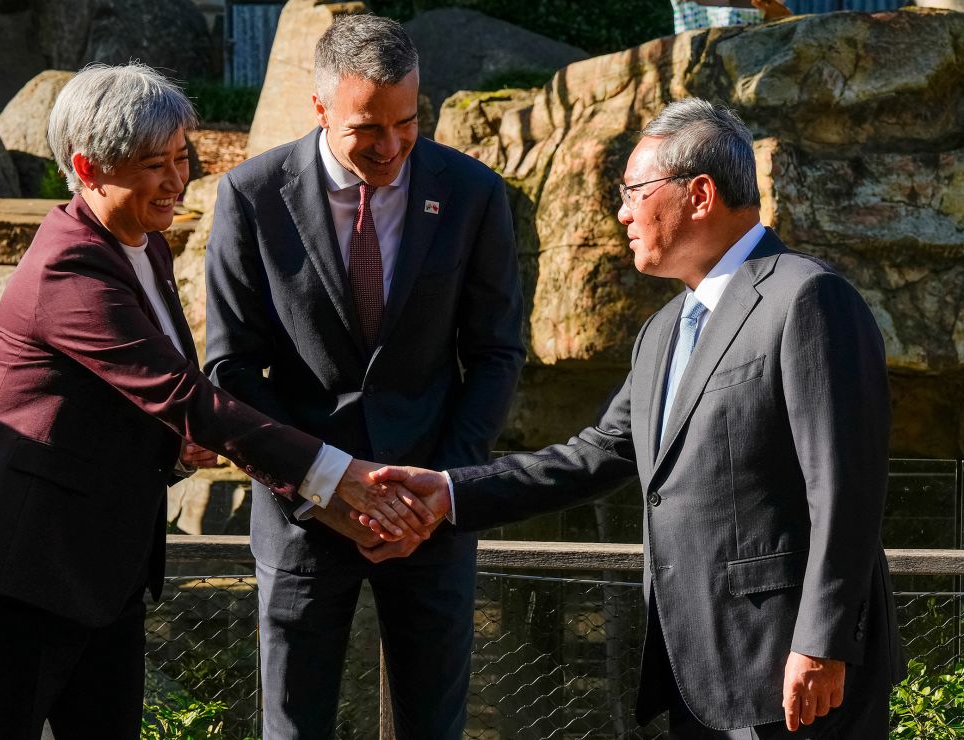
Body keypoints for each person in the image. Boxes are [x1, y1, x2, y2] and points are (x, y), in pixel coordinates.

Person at [0, 62, 430, 740]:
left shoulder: (143, 245)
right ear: (87, 167)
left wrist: (179, 448)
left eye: (180, 157)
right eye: (152, 165)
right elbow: (188, 396)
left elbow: (156, 401)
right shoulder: (69, 265)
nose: (176, 180)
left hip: (103, 578)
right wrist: (340, 476)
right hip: (13, 578)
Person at [368, 98, 905, 738]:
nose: (621, 213)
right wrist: (450, 492)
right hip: (698, 669)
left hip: (793, 671)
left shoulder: (807, 297)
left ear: (700, 194)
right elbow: (595, 454)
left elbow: (846, 488)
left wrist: (822, 641)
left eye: (633, 192)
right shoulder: (661, 333)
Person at [203, 14, 525, 739]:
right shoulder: (251, 196)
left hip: (428, 510)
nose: (390, 147)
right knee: (293, 727)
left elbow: (497, 353)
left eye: (406, 123)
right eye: (366, 129)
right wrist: (324, 486)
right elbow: (227, 366)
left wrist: (438, 492)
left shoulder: (472, 193)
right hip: (301, 515)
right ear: (319, 108)